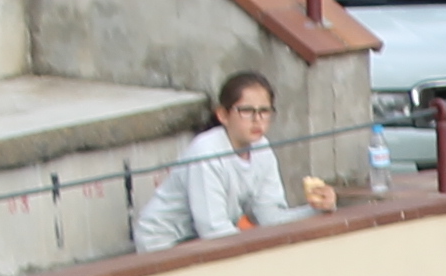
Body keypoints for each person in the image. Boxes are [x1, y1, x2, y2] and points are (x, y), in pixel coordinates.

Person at [129, 70, 332, 251]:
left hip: (202, 241)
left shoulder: (262, 148)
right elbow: (212, 229)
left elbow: (270, 218)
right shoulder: (206, 150)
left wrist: (318, 210)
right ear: (223, 115)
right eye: (246, 111)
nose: (257, 120)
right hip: (162, 244)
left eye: (264, 111)